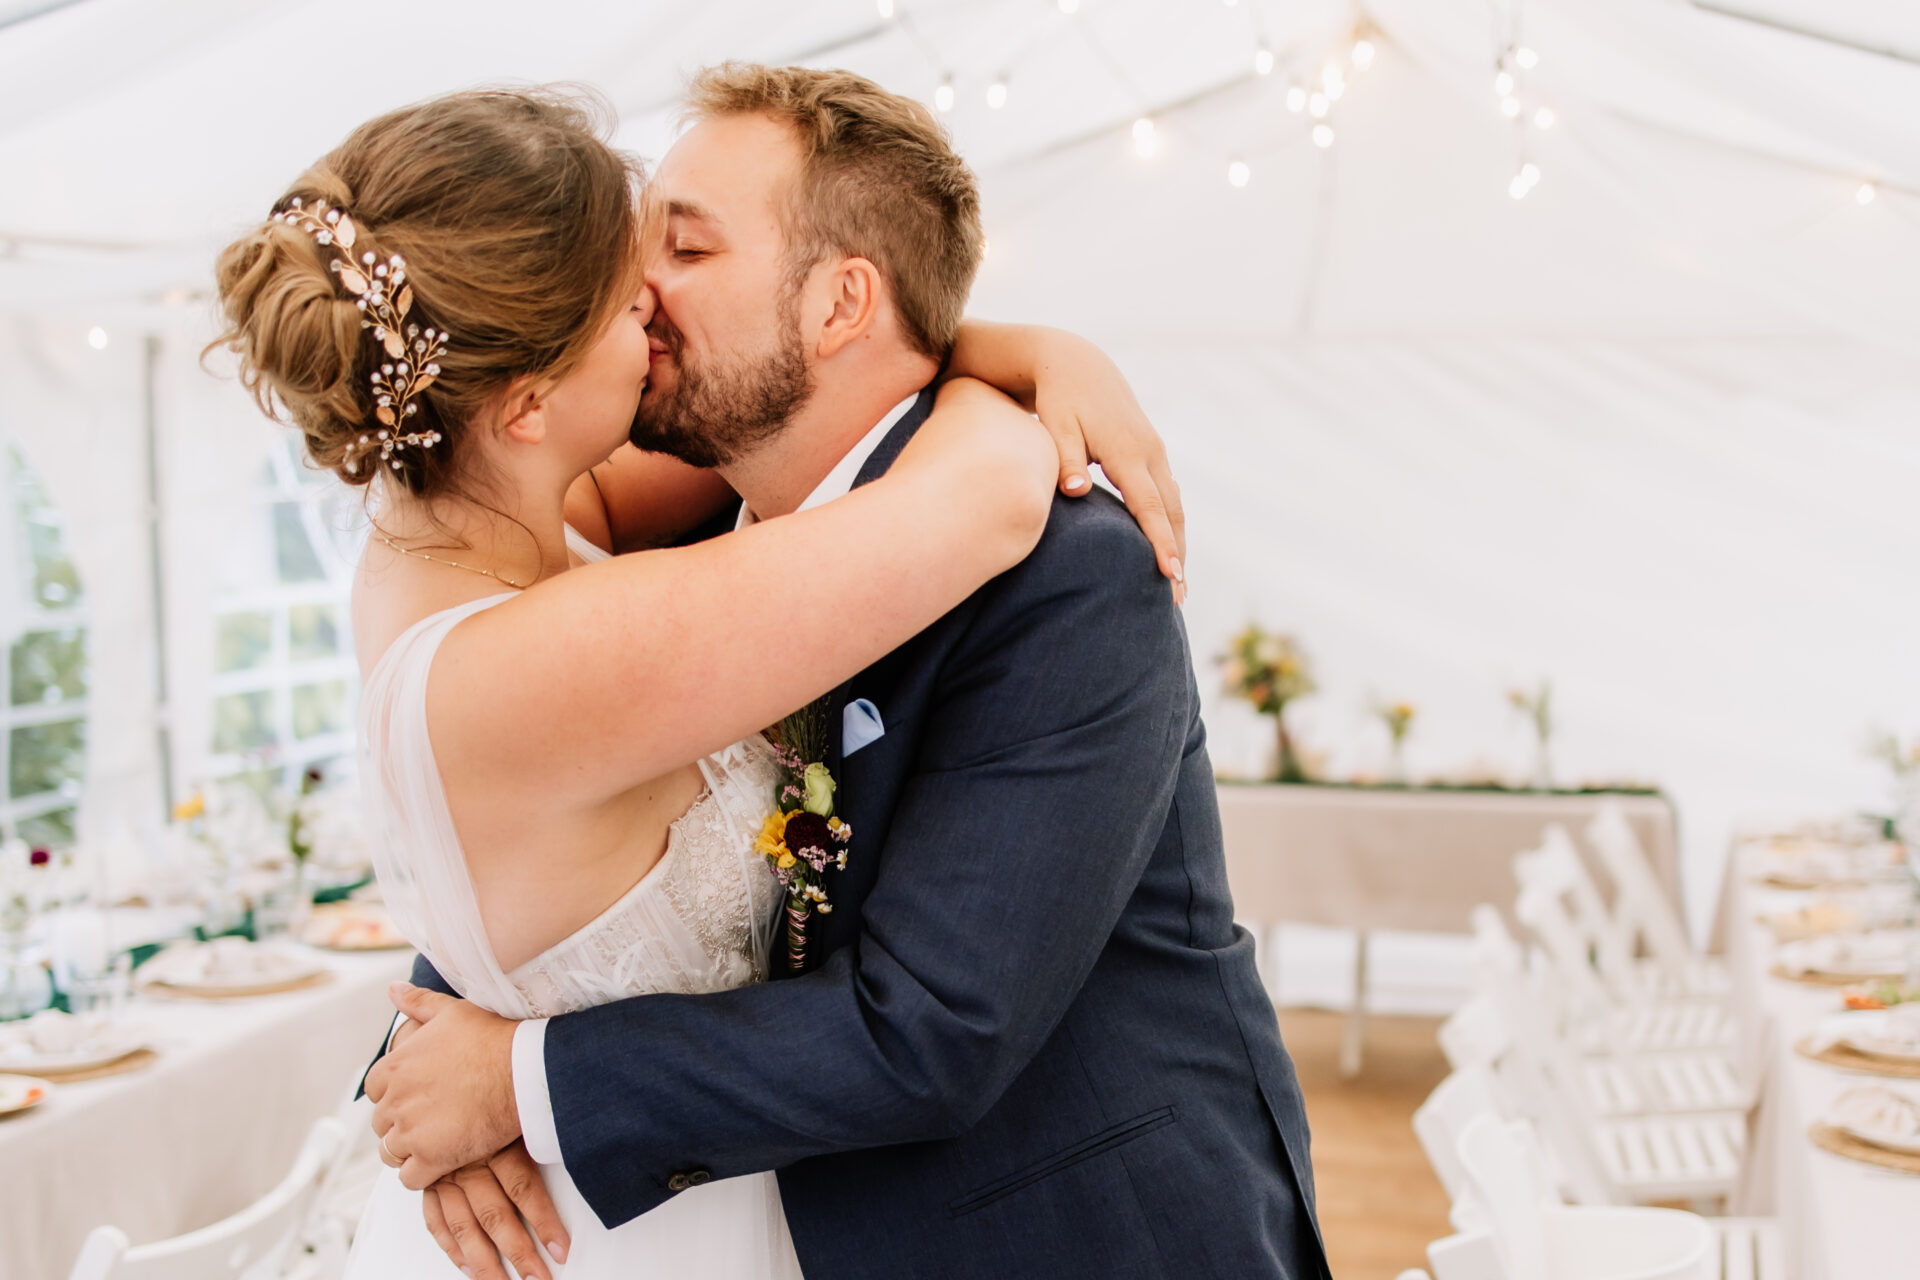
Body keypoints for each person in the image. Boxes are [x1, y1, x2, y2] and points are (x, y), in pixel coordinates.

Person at [359, 65, 1331, 1280]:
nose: (635, 293)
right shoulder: (690, 535)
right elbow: (516, 788)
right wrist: (430, 1064)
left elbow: (935, 1031)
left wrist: (518, 1081)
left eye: (687, 250)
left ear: (837, 305)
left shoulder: (1071, 571)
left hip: (1060, 1234)